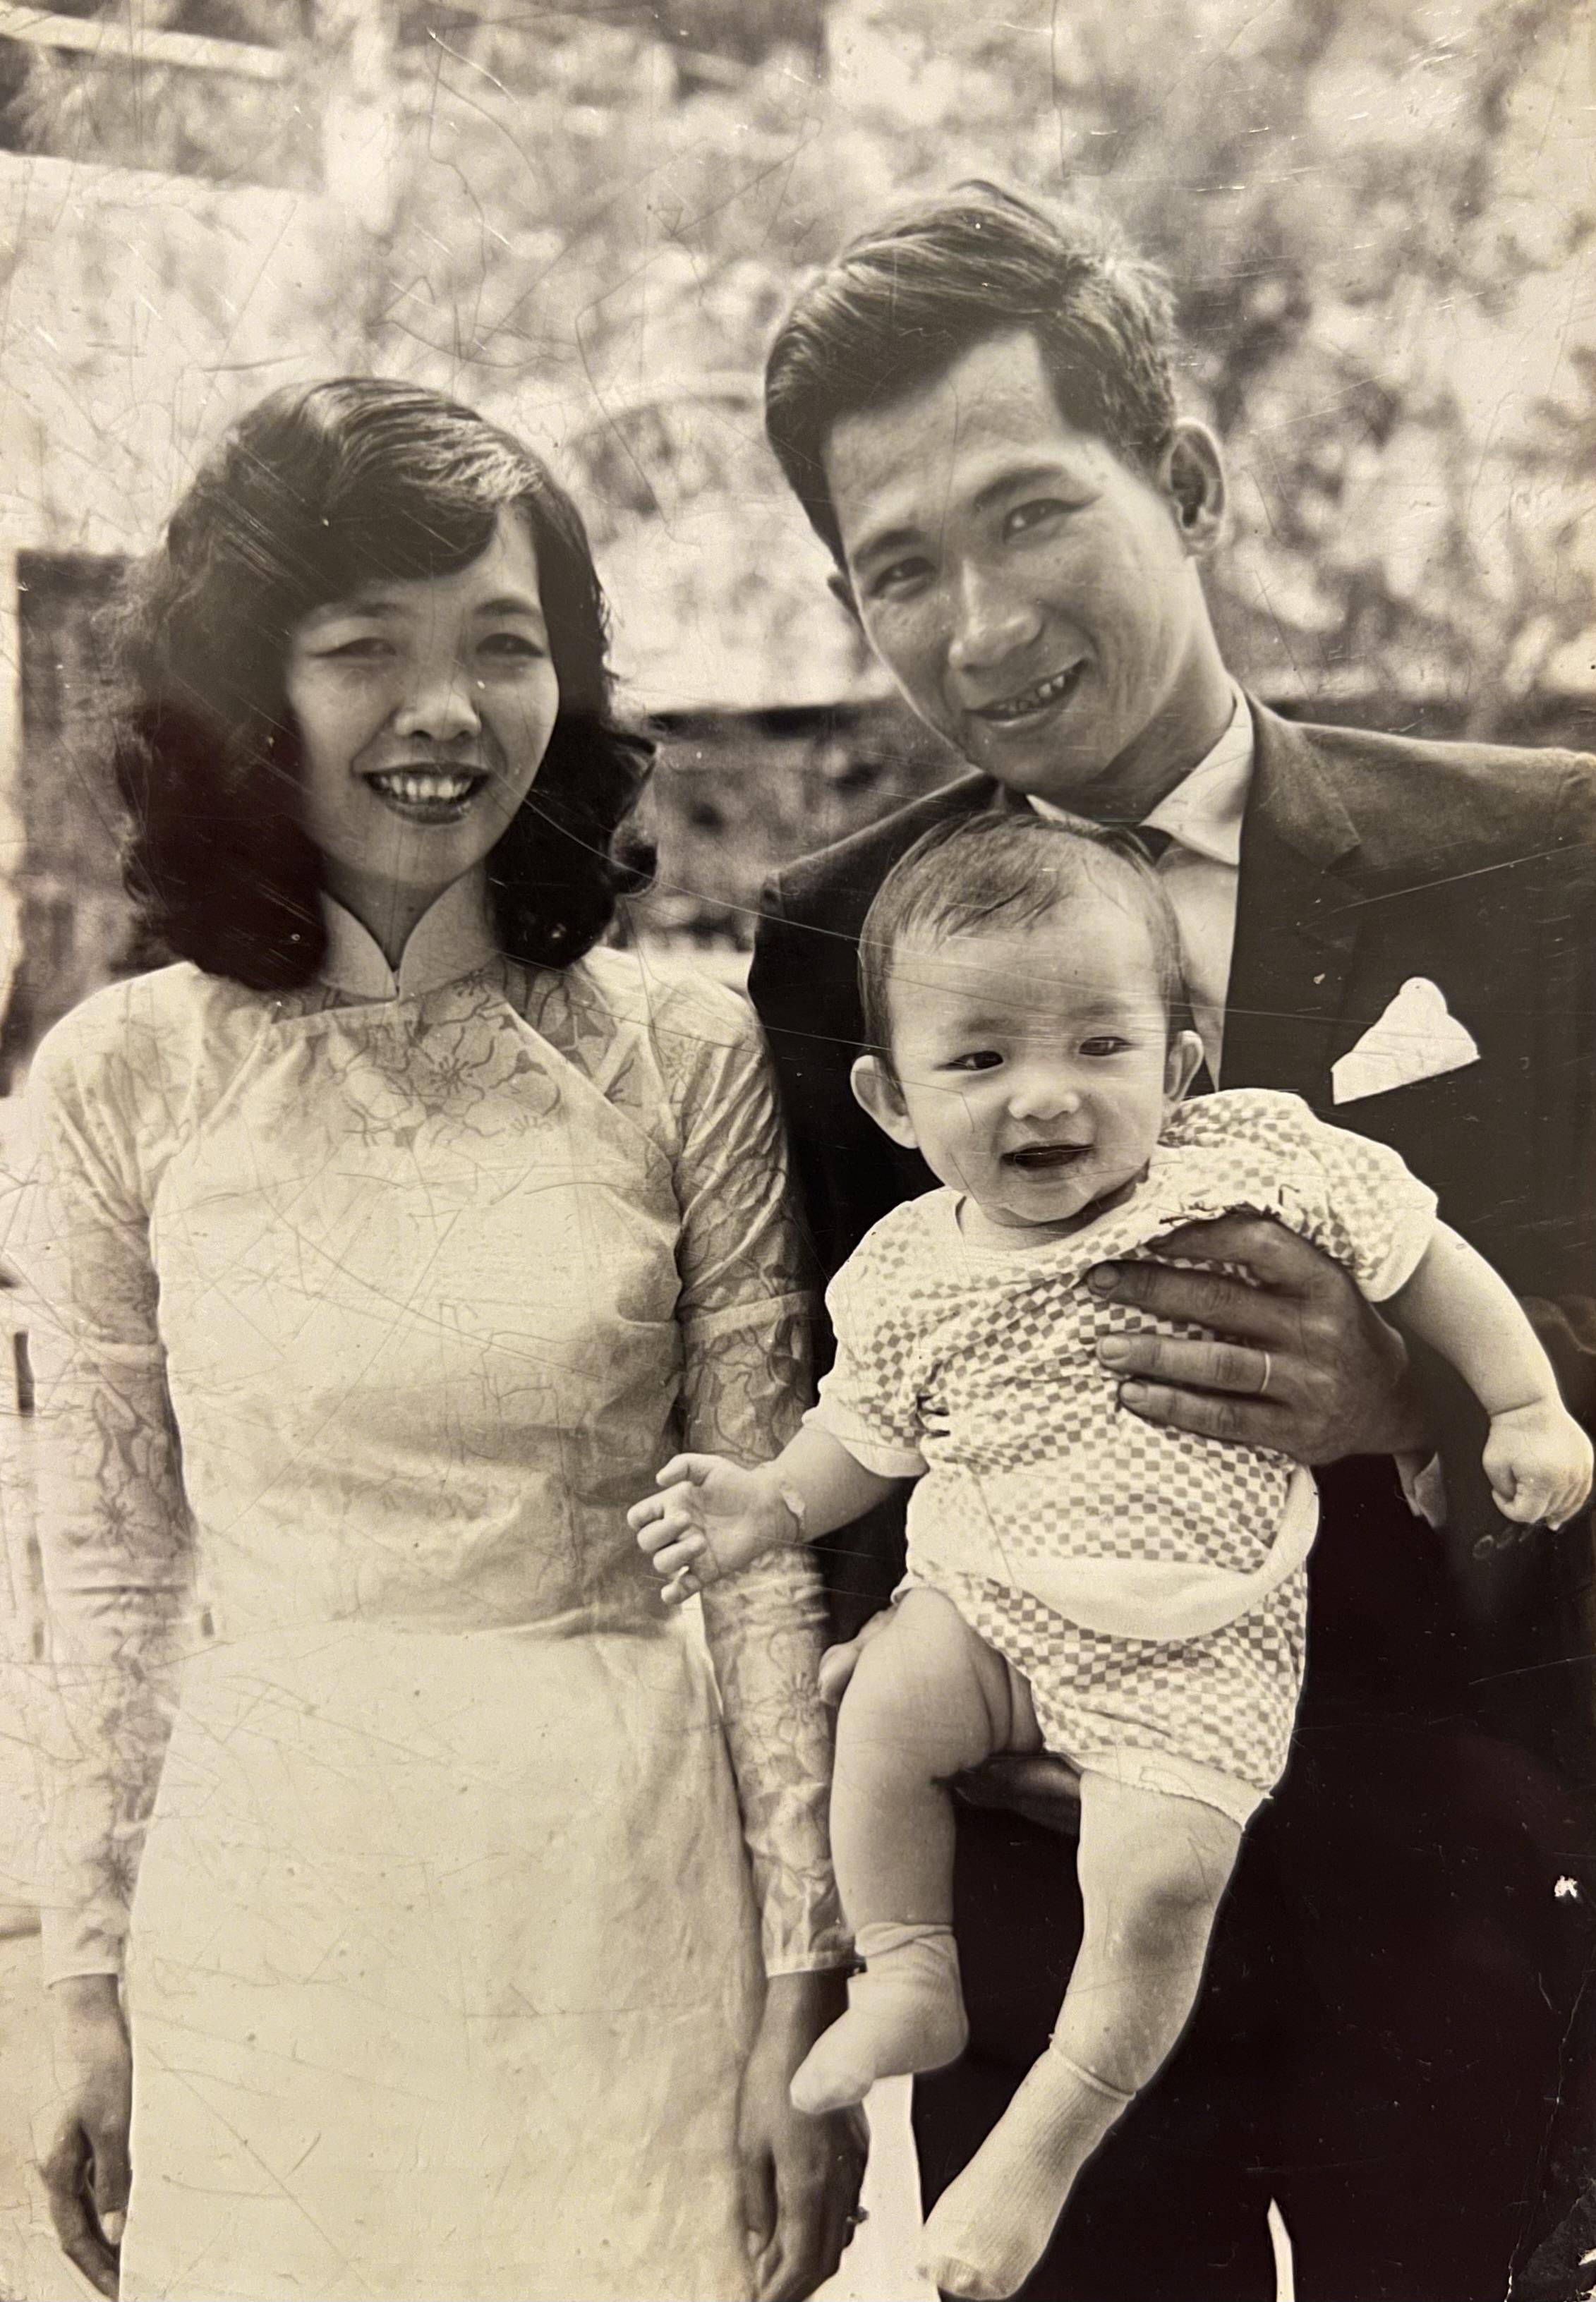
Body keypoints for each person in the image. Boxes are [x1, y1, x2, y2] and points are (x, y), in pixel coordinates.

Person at [747, 183, 1596, 2302]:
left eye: (1030, 513)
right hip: (1044, 1899)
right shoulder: (836, 944)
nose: (977, 623)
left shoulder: (1536, 850)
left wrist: (1420, 1390)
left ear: (1186, 481)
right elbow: (848, 1401)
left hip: (1469, 1877)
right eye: (898, 572)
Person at [20, 377, 864, 2302]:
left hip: (618, 1889)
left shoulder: (681, 1059)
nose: (445, 714)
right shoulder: (118, 1082)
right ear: (254, 692)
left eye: (504, 647)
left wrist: (790, 1989)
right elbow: (120, 1570)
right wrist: (88, 1983)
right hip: (273, 1889)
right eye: (362, 653)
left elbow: (753, 1565)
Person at [638, 811, 1591, 2298]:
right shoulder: (908, 1265)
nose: (1045, 1100)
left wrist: (1518, 1403)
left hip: (1194, 1636)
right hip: (990, 1612)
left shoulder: (1247, 1165)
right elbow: (861, 1438)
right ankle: (911, 1972)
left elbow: (1427, 1253)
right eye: (981, 1062)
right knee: (878, 1720)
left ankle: (1050, 2137)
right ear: (892, 1101)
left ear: (1183, 1069)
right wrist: (767, 1503)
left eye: (1099, 1048)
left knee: (1154, 1893)